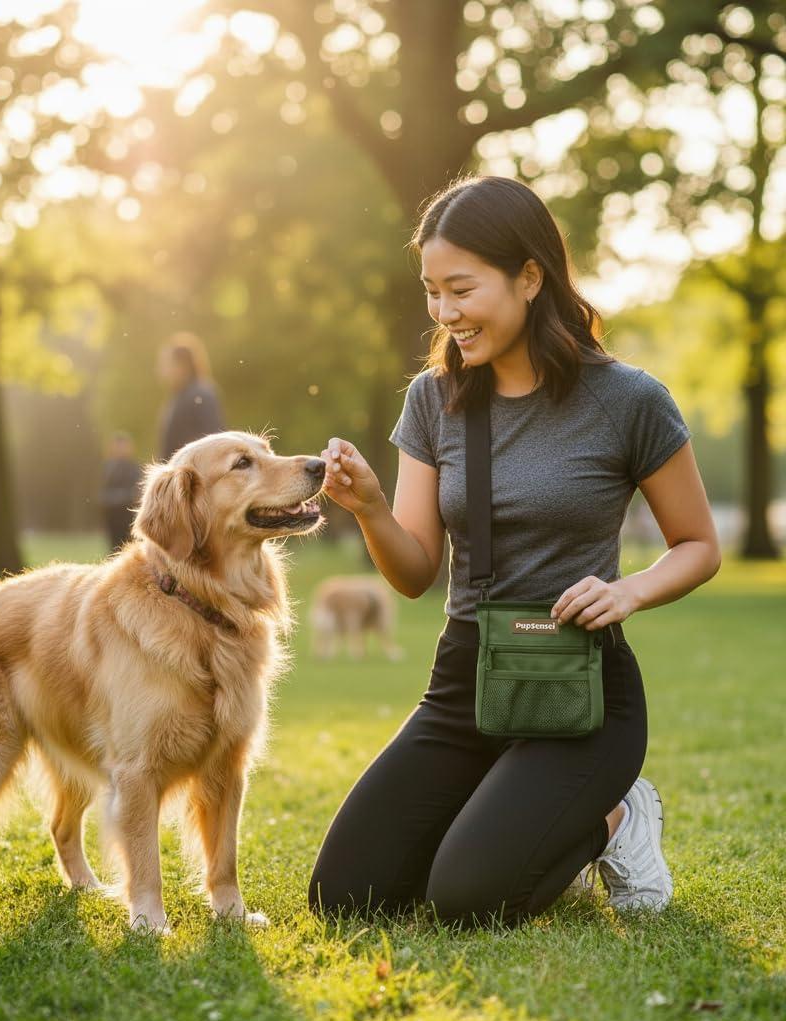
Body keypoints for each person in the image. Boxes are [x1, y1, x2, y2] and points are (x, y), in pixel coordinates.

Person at [308, 175, 721, 928]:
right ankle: (509, 808)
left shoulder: (630, 400)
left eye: (462, 289)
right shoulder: (434, 401)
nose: (444, 313)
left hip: (582, 692)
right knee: (346, 896)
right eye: (432, 292)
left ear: (530, 276)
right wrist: (368, 507)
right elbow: (413, 574)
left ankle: (616, 821)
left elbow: (698, 545)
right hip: (466, 679)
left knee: (466, 900)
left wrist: (629, 591)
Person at [157, 332, 226, 461]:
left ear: (182, 365)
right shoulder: (177, 397)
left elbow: (215, 441)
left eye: (166, 363)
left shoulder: (202, 394)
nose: (161, 370)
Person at [99, 431, 142, 552]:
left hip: (128, 514)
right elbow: (103, 492)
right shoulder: (108, 468)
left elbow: (137, 491)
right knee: (114, 546)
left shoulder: (133, 468)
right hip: (112, 514)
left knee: (127, 546)